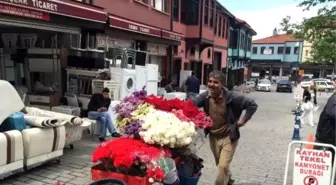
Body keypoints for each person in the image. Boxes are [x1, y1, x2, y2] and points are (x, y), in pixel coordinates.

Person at [193, 70, 258, 185]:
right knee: (221, 165)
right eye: (210, 81)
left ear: (222, 84)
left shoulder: (233, 97)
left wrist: (243, 121)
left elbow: (252, 105)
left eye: (216, 82)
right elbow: (191, 105)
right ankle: (229, 180)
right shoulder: (205, 97)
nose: (211, 84)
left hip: (229, 137)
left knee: (222, 166)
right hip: (213, 137)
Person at [315, 93, 336, 163]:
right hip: (326, 139)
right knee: (322, 165)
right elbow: (332, 113)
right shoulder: (334, 98)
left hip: (331, 138)